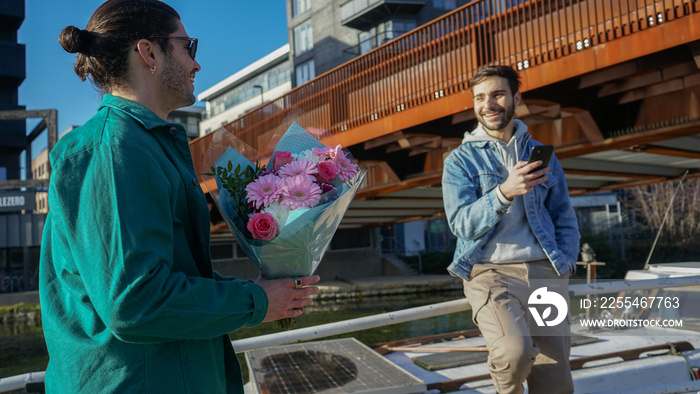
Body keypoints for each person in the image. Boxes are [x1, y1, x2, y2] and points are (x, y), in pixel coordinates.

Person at [40, 1, 319, 392]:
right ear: (148, 52)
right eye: (188, 46)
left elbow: (168, 276)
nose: (196, 64)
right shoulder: (116, 149)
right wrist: (255, 302)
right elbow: (136, 302)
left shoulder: (142, 144)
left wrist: (258, 293)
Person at [442, 65, 580, 394]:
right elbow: (460, 224)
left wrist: (568, 261)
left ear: (516, 98)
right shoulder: (459, 161)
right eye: (479, 98)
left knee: (555, 378)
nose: (487, 104)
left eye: (497, 94)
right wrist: (504, 192)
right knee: (513, 355)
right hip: (490, 271)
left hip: (545, 271)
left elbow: (563, 214)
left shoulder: (542, 155)